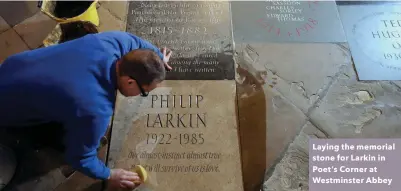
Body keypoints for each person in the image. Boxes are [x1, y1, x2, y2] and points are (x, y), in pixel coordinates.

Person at [0, 30, 172, 190]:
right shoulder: (96, 109)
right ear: (129, 82)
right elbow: (80, 158)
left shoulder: (115, 41)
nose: (142, 95)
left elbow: (139, 45)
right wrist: (110, 174)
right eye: (144, 92)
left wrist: (157, 58)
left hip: (10, 68)